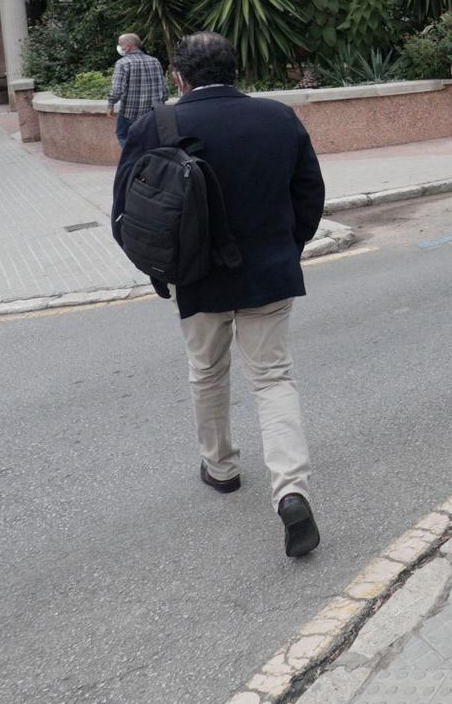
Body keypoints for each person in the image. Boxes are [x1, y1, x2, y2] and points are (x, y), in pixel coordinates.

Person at [113, 31, 327, 558]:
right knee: (273, 379)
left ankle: (221, 467)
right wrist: (286, 247)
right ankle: (292, 491)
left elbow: (126, 213)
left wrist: (163, 265)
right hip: (269, 274)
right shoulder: (278, 117)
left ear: (179, 77)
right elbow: (310, 196)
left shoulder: (156, 125)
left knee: (206, 371)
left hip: (196, 277)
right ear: (236, 70)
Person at [107, 33, 164, 146]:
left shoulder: (123, 63)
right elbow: (163, 86)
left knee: (123, 136)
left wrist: (110, 104)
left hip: (130, 112)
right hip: (153, 111)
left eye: (120, 44)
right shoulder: (155, 61)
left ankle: (135, 159)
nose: (119, 47)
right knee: (150, 139)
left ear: (128, 46)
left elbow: (117, 89)